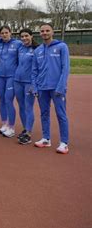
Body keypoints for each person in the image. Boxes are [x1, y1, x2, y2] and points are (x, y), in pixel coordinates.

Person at [32, 23, 70, 154]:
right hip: (42, 88)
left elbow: (65, 68)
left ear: (52, 32)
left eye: (47, 30)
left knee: (61, 114)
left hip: (57, 88)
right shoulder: (37, 50)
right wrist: (35, 87)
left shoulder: (61, 47)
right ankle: (46, 139)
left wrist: (61, 86)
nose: (44, 33)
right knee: (44, 113)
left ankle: (64, 143)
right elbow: (34, 71)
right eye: (42, 31)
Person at [0, 25, 22, 138]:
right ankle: (5, 124)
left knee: (8, 99)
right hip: (0, 75)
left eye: (6, 32)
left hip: (12, 76)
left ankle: (12, 127)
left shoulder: (17, 44)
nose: (4, 35)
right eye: (2, 33)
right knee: (1, 99)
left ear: (10, 33)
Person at [15, 28, 38, 144]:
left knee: (28, 106)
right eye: (22, 36)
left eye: (26, 36)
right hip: (17, 80)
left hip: (29, 82)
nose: (24, 38)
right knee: (21, 106)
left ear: (31, 36)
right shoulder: (20, 48)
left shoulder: (37, 49)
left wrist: (35, 84)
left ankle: (28, 133)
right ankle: (25, 128)